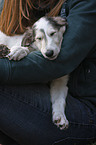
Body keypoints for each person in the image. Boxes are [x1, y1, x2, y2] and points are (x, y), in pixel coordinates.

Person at [0, 0, 96, 145]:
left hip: (81, 114)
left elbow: (60, 62)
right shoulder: (11, 4)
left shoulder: (86, 4)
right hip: (33, 96)